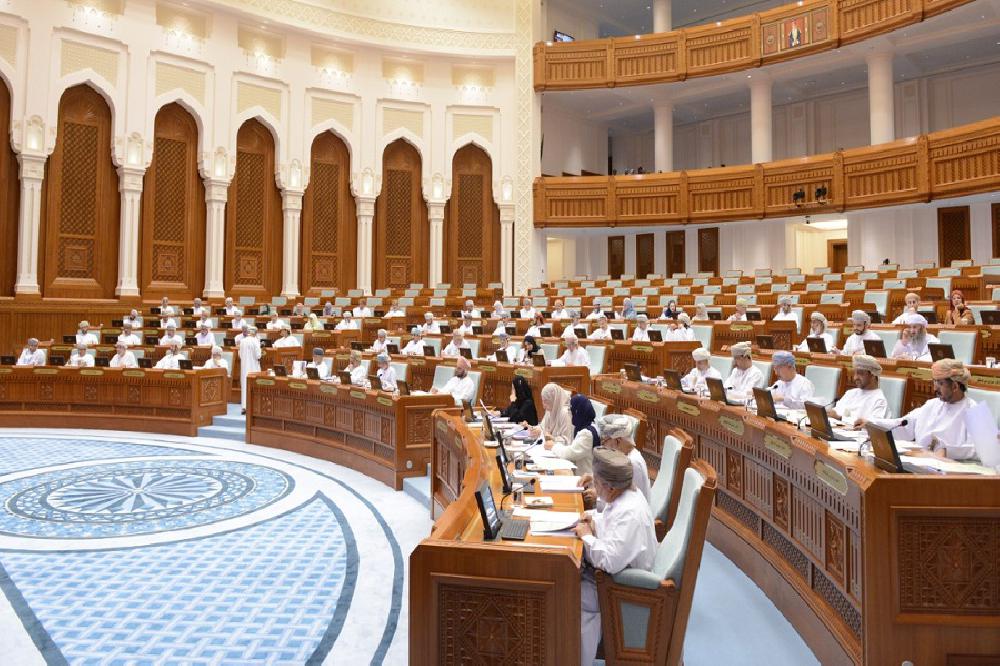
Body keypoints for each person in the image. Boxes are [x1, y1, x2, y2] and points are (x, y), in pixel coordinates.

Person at [576, 448, 657, 666]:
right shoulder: (627, 496)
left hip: (624, 587)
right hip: (619, 575)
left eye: (596, 483)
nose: (594, 487)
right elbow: (610, 522)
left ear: (610, 487)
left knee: (569, 595)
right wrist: (593, 519)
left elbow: (609, 561)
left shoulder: (629, 513)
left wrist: (587, 537)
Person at [861, 359, 977, 460]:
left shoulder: (974, 411)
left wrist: (947, 451)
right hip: (919, 464)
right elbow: (903, 424)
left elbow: (980, 449)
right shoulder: (932, 404)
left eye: (940, 383)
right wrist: (871, 424)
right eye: (934, 382)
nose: (935, 388)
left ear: (955, 386)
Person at [546, 393, 600, 476]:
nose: (570, 413)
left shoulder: (587, 433)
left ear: (577, 411)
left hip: (584, 478)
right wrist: (555, 440)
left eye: (571, 410)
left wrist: (553, 446)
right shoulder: (582, 426)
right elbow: (571, 444)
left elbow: (570, 454)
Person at [827, 354, 888, 423]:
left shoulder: (879, 400)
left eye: (860, 373)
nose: (855, 378)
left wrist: (841, 418)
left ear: (872, 375)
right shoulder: (850, 393)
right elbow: (836, 412)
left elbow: (873, 425)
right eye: (855, 373)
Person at [238, 327, 262, 414]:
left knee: (245, 385)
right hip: (253, 367)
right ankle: (252, 407)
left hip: (244, 367)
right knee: (253, 385)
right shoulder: (255, 341)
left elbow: (240, 355)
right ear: (255, 333)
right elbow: (258, 355)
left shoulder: (242, 341)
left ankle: (244, 407)